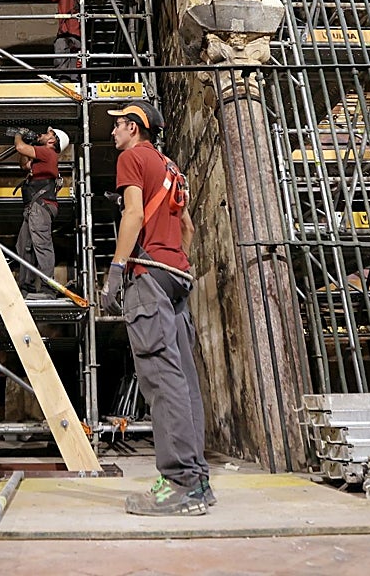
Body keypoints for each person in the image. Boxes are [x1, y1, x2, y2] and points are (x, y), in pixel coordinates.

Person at [102, 101, 213, 516]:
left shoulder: (132, 158)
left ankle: (180, 484)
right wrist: (178, 263)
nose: (112, 132)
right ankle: (197, 479)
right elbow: (187, 228)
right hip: (178, 276)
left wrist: (115, 270)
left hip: (148, 274)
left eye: (117, 125)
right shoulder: (172, 167)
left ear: (134, 127)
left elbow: (133, 214)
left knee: (161, 381)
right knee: (183, 381)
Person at [14, 126, 70, 300]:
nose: (44, 135)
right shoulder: (42, 157)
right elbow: (24, 163)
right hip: (34, 207)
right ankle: (26, 287)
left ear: (52, 141)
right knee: (23, 246)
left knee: (42, 246)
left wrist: (19, 136)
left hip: (41, 206)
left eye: (48, 134)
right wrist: (29, 143)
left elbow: (19, 148)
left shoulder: (48, 153)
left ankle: (48, 289)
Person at [40, 0, 80, 74]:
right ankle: (74, 84)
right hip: (77, 37)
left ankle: (64, 84)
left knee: (62, 66)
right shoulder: (77, 0)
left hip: (65, 35)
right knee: (74, 66)